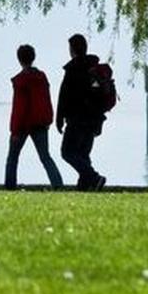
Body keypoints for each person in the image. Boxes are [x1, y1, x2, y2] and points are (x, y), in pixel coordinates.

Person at [5, 44, 64, 190]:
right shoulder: (41, 77)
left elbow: (19, 107)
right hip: (40, 122)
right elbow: (47, 99)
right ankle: (58, 185)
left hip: (23, 125)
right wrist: (48, 119)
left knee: (13, 157)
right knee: (45, 157)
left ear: (19, 59)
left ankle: (10, 186)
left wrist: (14, 130)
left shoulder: (20, 81)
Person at [56, 33, 106, 191]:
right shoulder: (93, 70)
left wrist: (59, 118)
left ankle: (94, 177)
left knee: (67, 152)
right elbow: (97, 93)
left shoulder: (73, 70)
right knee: (83, 154)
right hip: (92, 119)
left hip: (76, 119)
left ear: (72, 49)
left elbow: (63, 96)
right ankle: (85, 188)